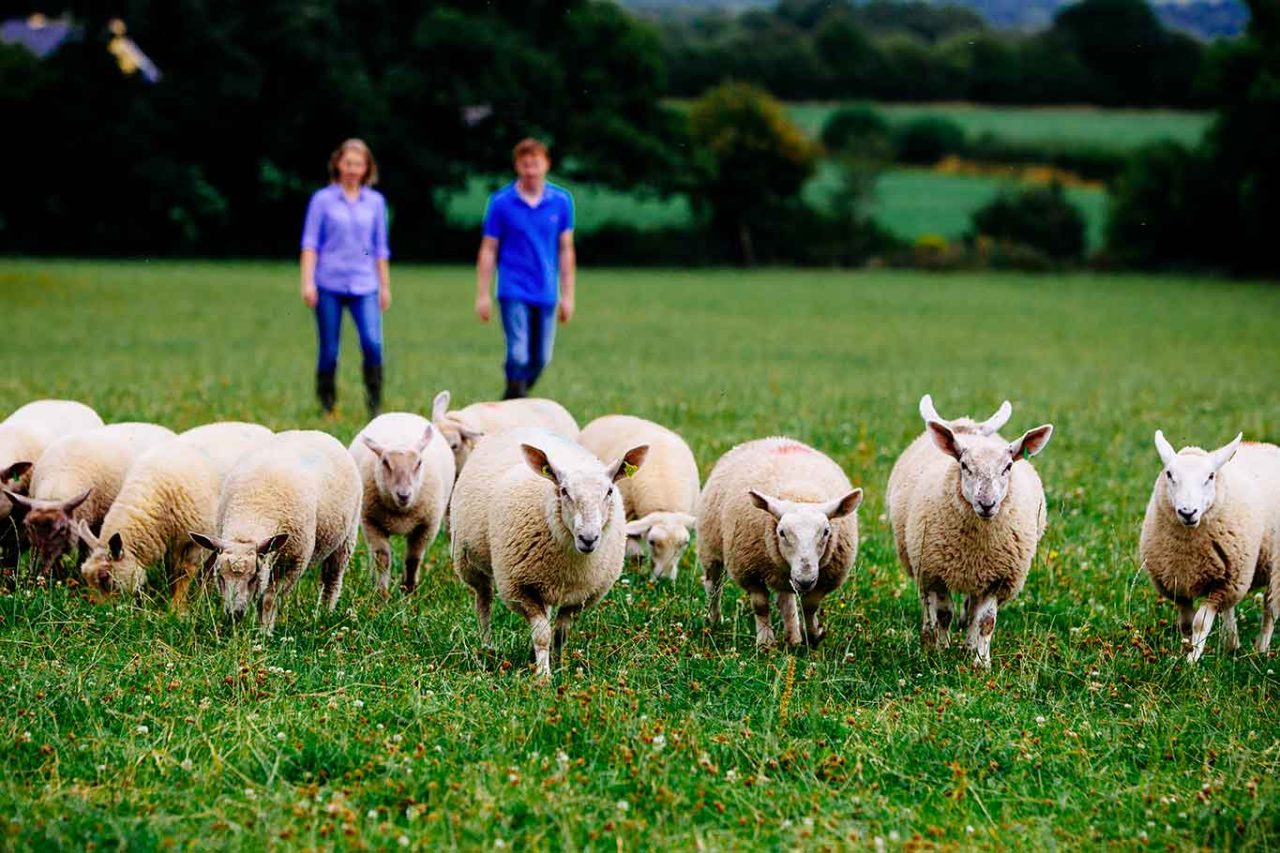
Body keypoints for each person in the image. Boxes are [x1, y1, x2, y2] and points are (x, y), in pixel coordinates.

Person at [475, 138, 576, 400]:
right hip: (513, 287)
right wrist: (483, 293)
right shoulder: (501, 202)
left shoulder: (561, 201)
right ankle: (516, 401)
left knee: (541, 358)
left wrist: (568, 295)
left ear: (546, 165)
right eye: (525, 164)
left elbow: (566, 249)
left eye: (536, 164)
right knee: (518, 353)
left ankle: (512, 399)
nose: (530, 170)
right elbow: (489, 248)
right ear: (517, 166)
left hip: (546, 289)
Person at [300, 138, 392, 417]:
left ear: (366, 168)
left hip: (365, 284)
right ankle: (328, 404)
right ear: (338, 164)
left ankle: (374, 403)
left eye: (358, 164)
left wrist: (385, 286)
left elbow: (380, 248)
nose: (353, 169)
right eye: (348, 163)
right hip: (329, 282)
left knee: (373, 343)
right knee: (329, 349)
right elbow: (310, 243)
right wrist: (307, 281)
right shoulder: (323, 200)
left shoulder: (375, 202)